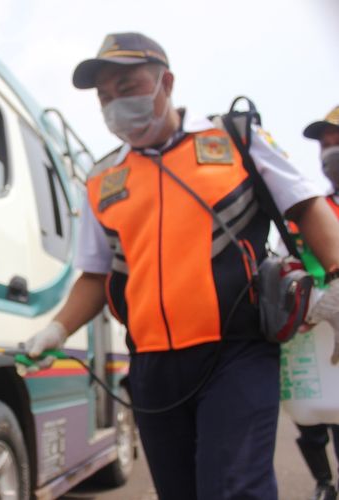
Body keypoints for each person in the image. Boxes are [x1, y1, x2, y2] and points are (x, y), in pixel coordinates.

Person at [25, 33, 339, 500]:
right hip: (152, 366)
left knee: (235, 490)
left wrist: (336, 277)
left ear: (165, 82)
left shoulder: (234, 137)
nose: (115, 105)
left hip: (237, 352)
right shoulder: (102, 179)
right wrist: (55, 330)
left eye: (128, 87)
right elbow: (95, 275)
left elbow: (307, 205)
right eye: (105, 98)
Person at [293, 106, 339, 500]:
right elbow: (286, 263)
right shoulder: (311, 213)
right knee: (311, 420)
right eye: (325, 145)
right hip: (315, 333)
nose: (330, 151)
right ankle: (325, 482)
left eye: (337, 141)